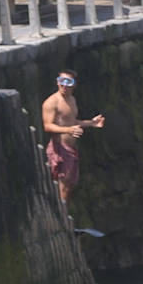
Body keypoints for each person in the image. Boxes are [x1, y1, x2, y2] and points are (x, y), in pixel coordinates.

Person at [41, 69, 105, 203]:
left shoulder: (72, 100)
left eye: (68, 81)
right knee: (62, 184)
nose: (64, 85)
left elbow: (72, 121)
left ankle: (62, 210)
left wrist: (91, 123)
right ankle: (61, 213)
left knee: (69, 184)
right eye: (61, 81)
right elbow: (47, 126)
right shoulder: (51, 102)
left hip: (71, 149)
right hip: (59, 148)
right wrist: (68, 130)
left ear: (74, 84)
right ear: (57, 82)